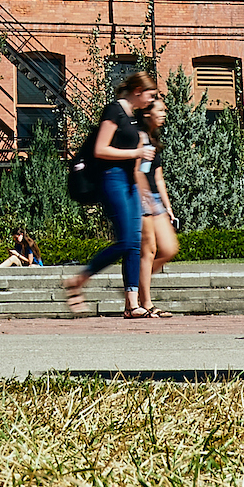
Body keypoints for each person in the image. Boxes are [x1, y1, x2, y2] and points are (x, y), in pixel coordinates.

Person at [60, 72, 158, 318]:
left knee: (135, 243)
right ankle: (79, 280)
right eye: (150, 95)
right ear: (137, 90)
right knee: (126, 241)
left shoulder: (132, 118)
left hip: (129, 181)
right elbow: (101, 149)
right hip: (112, 179)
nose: (151, 100)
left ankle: (132, 305)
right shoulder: (113, 111)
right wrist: (136, 154)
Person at [132, 94, 181, 318]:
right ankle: (146, 302)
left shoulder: (154, 139)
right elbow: (135, 173)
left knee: (170, 248)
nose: (163, 115)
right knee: (149, 250)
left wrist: (167, 207)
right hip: (141, 197)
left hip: (155, 198)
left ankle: (134, 283)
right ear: (146, 113)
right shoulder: (139, 138)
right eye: (159, 111)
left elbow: (159, 178)